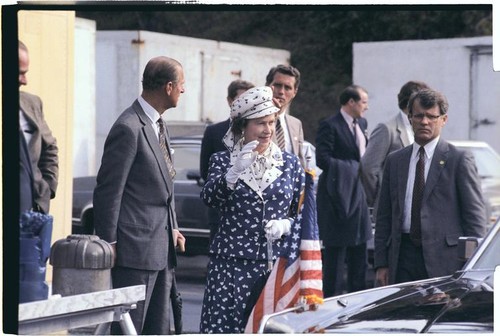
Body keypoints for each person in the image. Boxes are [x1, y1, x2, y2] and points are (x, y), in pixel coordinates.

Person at [199, 86, 305, 333]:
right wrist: (233, 173)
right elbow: (210, 198)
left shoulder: (289, 164)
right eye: (260, 123)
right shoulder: (222, 160)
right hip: (229, 265)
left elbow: (302, 215)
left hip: (275, 266)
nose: (268, 130)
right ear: (242, 127)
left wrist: (287, 225)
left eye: (271, 122)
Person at [93, 56, 186, 335]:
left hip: (161, 249)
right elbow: (109, 191)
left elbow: (165, 186)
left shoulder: (158, 124)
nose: (184, 90)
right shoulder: (128, 127)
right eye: (182, 84)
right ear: (169, 87)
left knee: (157, 329)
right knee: (129, 329)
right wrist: (109, 243)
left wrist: (175, 227)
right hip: (134, 252)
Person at [374, 88, 487, 287]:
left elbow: (475, 219)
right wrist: (381, 263)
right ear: (410, 118)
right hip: (402, 259)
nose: (424, 122)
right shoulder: (395, 161)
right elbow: (384, 215)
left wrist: (471, 269)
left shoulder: (458, 159)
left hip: (446, 261)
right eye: (419, 116)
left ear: (444, 119)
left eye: (431, 117)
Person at [315, 84, 372, 297]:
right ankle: (332, 300)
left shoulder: (363, 123)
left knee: (360, 249)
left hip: (359, 194)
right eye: (364, 102)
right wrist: (351, 168)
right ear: (351, 102)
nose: (367, 107)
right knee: (336, 257)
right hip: (336, 196)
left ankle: (358, 298)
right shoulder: (329, 125)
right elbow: (322, 159)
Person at [360, 80, 429, 221]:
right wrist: (379, 196)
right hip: (391, 209)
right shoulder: (387, 129)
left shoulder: (425, 129)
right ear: (410, 103)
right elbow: (368, 168)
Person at [200, 79, 255, 241]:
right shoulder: (214, 132)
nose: (247, 104)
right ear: (230, 101)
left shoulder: (259, 130)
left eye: (250, 99)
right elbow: (205, 171)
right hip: (221, 212)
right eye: (242, 99)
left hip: (251, 214)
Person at [19, 40, 59, 214]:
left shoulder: (32, 103)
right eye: (19, 73)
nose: (24, 80)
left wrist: (47, 188)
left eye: (25, 73)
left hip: (33, 211)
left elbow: (50, 147)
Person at [265, 64, 305, 165]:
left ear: (294, 92)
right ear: (267, 85)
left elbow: (300, 161)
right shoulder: (254, 119)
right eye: (278, 85)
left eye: (287, 88)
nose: (281, 92)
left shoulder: (296, 124)